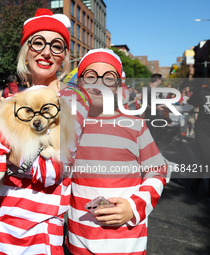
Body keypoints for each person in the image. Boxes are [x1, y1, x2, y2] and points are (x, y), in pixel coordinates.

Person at [0, 8, 89, 255]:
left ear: (64, 56)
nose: (46, 52)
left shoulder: (71, 101)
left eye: (56, 46)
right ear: (26, 51)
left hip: (34, 239)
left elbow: (53, 170)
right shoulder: (15, 98)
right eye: (38, 42)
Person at [65, 49, 167, 255]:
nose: (98, 83)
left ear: (118, 86)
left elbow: (158, 171)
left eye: (108, 78)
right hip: (78, 242)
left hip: (126, 242)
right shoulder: (69, 126)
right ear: (79, 82)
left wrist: (133, 206)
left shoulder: (135, 126)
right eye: (90, 76)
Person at [188, 81, 210, 198]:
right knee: (206, 157)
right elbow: (189, 105)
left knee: (206, 159)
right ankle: (197, 181)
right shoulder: (201, 92)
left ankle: (198, 180)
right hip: (203, 129)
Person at [144, 73, 164, 144]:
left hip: (158, 115)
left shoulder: (159, 90)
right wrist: (154, 108)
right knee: (150, 133)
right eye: (161, 79)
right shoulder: (147, 89)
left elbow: (161, 102)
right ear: (158, 80)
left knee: (158, 133)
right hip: (150, 115)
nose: (161, 81)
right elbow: (144, 104)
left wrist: (165, 105)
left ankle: (156, 149)